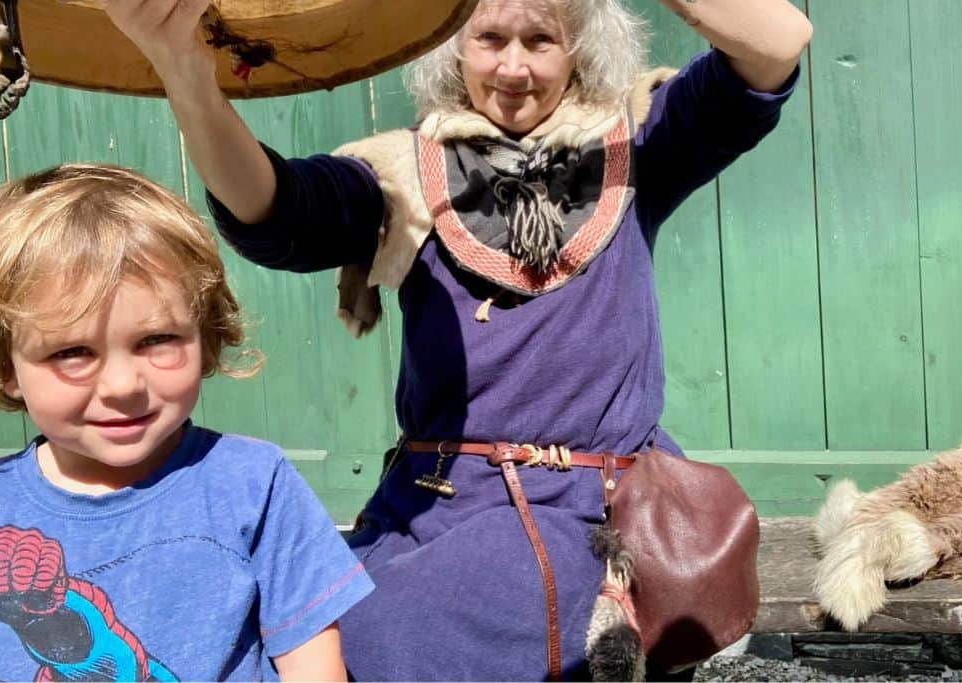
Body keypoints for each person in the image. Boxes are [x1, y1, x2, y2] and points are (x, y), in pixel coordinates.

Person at [105, 0, 812, 679]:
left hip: (596, 515)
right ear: (452, 49)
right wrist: (185, 73)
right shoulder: (403, 173)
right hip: (427, 509)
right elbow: (274, 206)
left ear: (580, 49)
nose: (513, 68)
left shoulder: (636, 146)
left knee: (387, 628)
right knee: (293, 621)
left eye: (540, 41)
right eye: (490, 40)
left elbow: (778, 42)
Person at [0, 163, 374, 681]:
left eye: (156, 339)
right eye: (72, 351)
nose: (122, 386)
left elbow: (313, 664)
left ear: (204, 337)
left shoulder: (250, 483)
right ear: (5, 368)